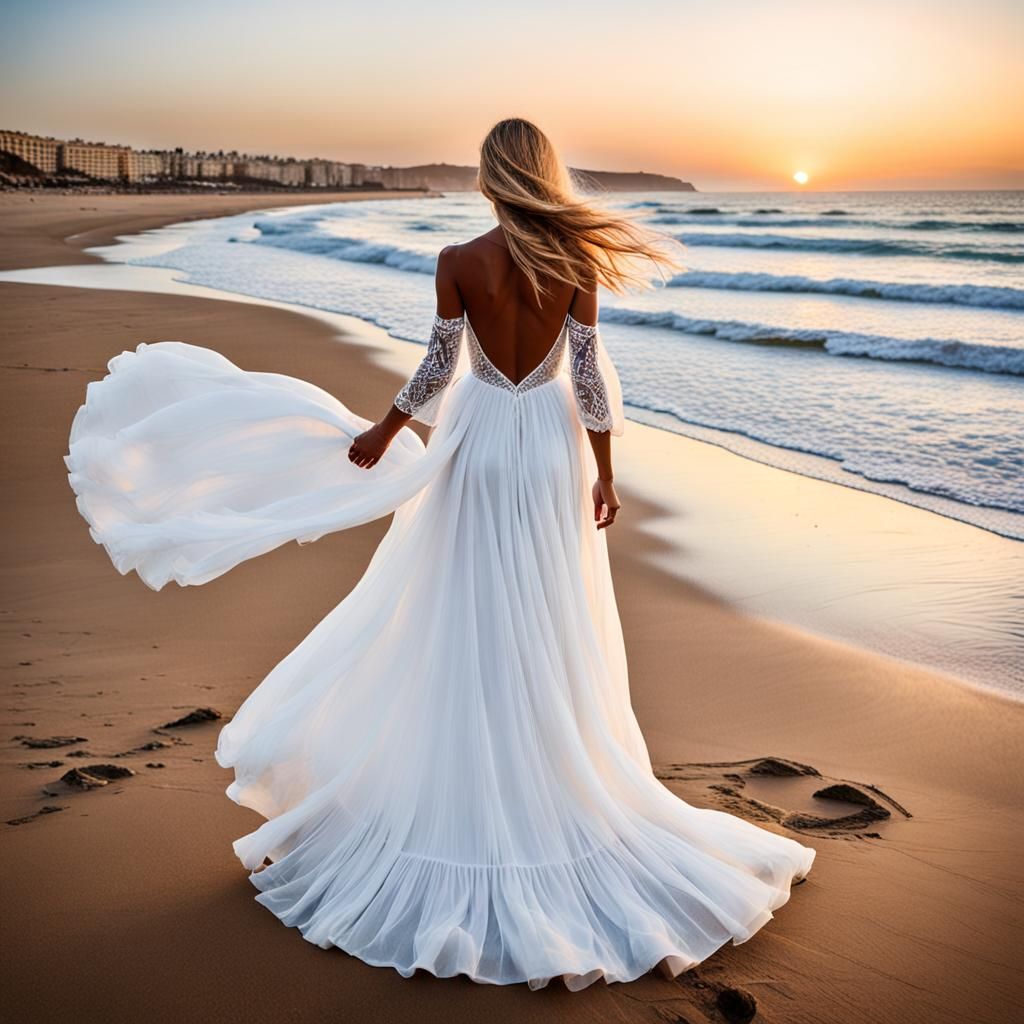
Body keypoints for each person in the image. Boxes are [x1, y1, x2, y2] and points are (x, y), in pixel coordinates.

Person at [65, 117, 815, 991]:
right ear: (545, 174)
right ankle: (549, 780)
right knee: (548, 615)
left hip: (478, 445)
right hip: (547, 453)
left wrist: (387, 431)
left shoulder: (459, 260)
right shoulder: (575, 262)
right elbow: (588, 378)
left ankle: (472, 781)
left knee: (468, 612)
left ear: (491, 178)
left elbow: (435, 369)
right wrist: (606, 475)